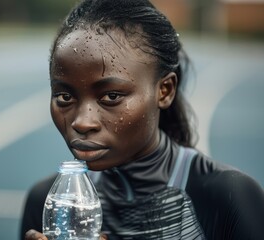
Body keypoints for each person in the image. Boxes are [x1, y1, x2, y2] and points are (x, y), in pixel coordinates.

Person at [21, 0, 264, 239]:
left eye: (111, 96)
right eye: (64, 96)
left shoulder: (229, 198)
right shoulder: (48, 202)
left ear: (164, 90)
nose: (82, 123)